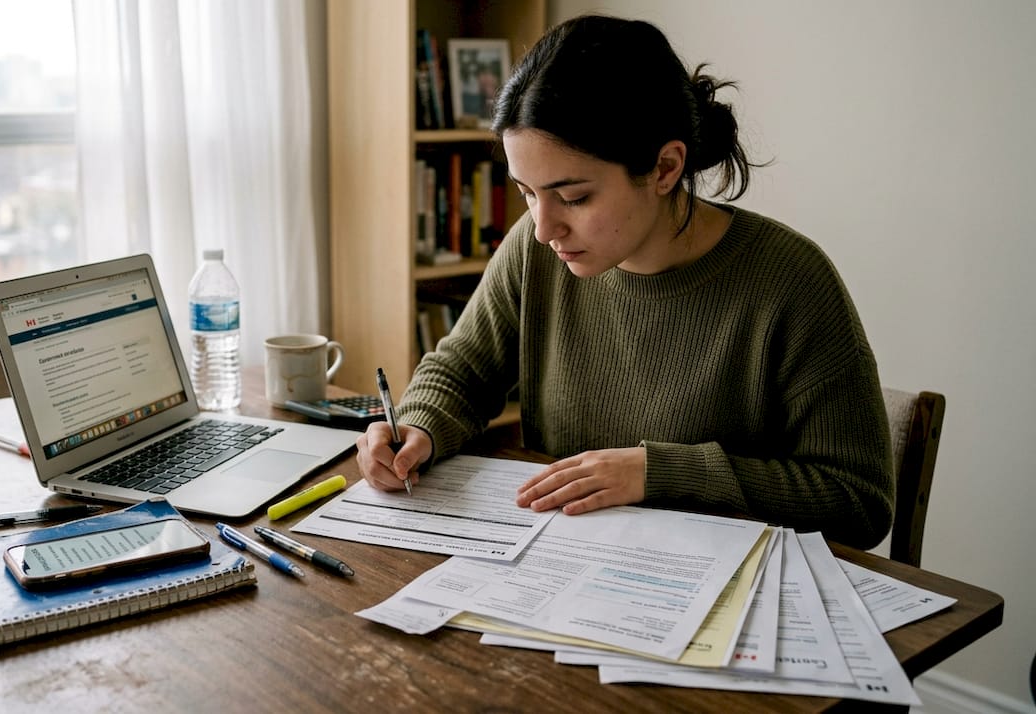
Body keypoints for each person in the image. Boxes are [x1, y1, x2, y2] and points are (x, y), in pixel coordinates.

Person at [355, 14, 894, 549]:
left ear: (664, 168)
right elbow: (463, 372)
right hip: (561, 566)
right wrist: (418, 427)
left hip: (716, 585)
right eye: (527, 193)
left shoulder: (792, 282)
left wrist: (661, 472)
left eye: (574, 198)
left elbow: (859, 502)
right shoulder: (534, 250)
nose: (543, 228)